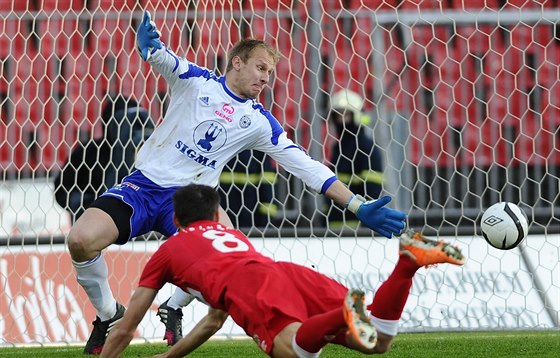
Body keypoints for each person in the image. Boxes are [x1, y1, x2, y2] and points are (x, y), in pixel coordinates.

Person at [69, 10, 407, 354]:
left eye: (270, 73)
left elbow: (306, 166)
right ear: (236, 63)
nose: (265, 78)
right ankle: (109, 312)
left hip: (193, 203)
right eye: (260, 68)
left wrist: (355, 203)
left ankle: (174, 306)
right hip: (143, 187)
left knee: (235, 270)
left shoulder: (259, 121)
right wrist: (148, 47)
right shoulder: (197, 82)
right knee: (81, 239)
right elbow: (163, 58)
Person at [100, 184, 466, 357]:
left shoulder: (169, 249)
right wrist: (169, 357)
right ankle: (407, 261)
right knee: (377, 342)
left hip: (251, 287)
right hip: (285, 271)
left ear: (176, 219)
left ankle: (341, 312)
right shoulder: (231, 235)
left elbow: (128, 324)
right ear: (215, 216)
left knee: (293, 353)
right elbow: (213, 321)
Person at [54, 95, 153, 222]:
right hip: (95, 226)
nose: (134, 130)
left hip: (141, 226)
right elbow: (62, 189)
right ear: (110, 124)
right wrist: (88, 205)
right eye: (127, 124)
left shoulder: (149, 153)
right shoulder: (88, 152)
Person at [326, 89, 384, 229]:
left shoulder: (366, 147)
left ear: (356, 116)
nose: (341, 120)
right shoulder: (338, 148)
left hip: (359, 228)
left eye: (346, 115)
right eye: (338, 115)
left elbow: (373, 190)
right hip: (335, 225)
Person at [219, 149, 279, 228]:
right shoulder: (218, 147)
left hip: (251, 221)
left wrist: (266, 223)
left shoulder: (258, 148)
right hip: (223, 218)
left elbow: (268, 188)